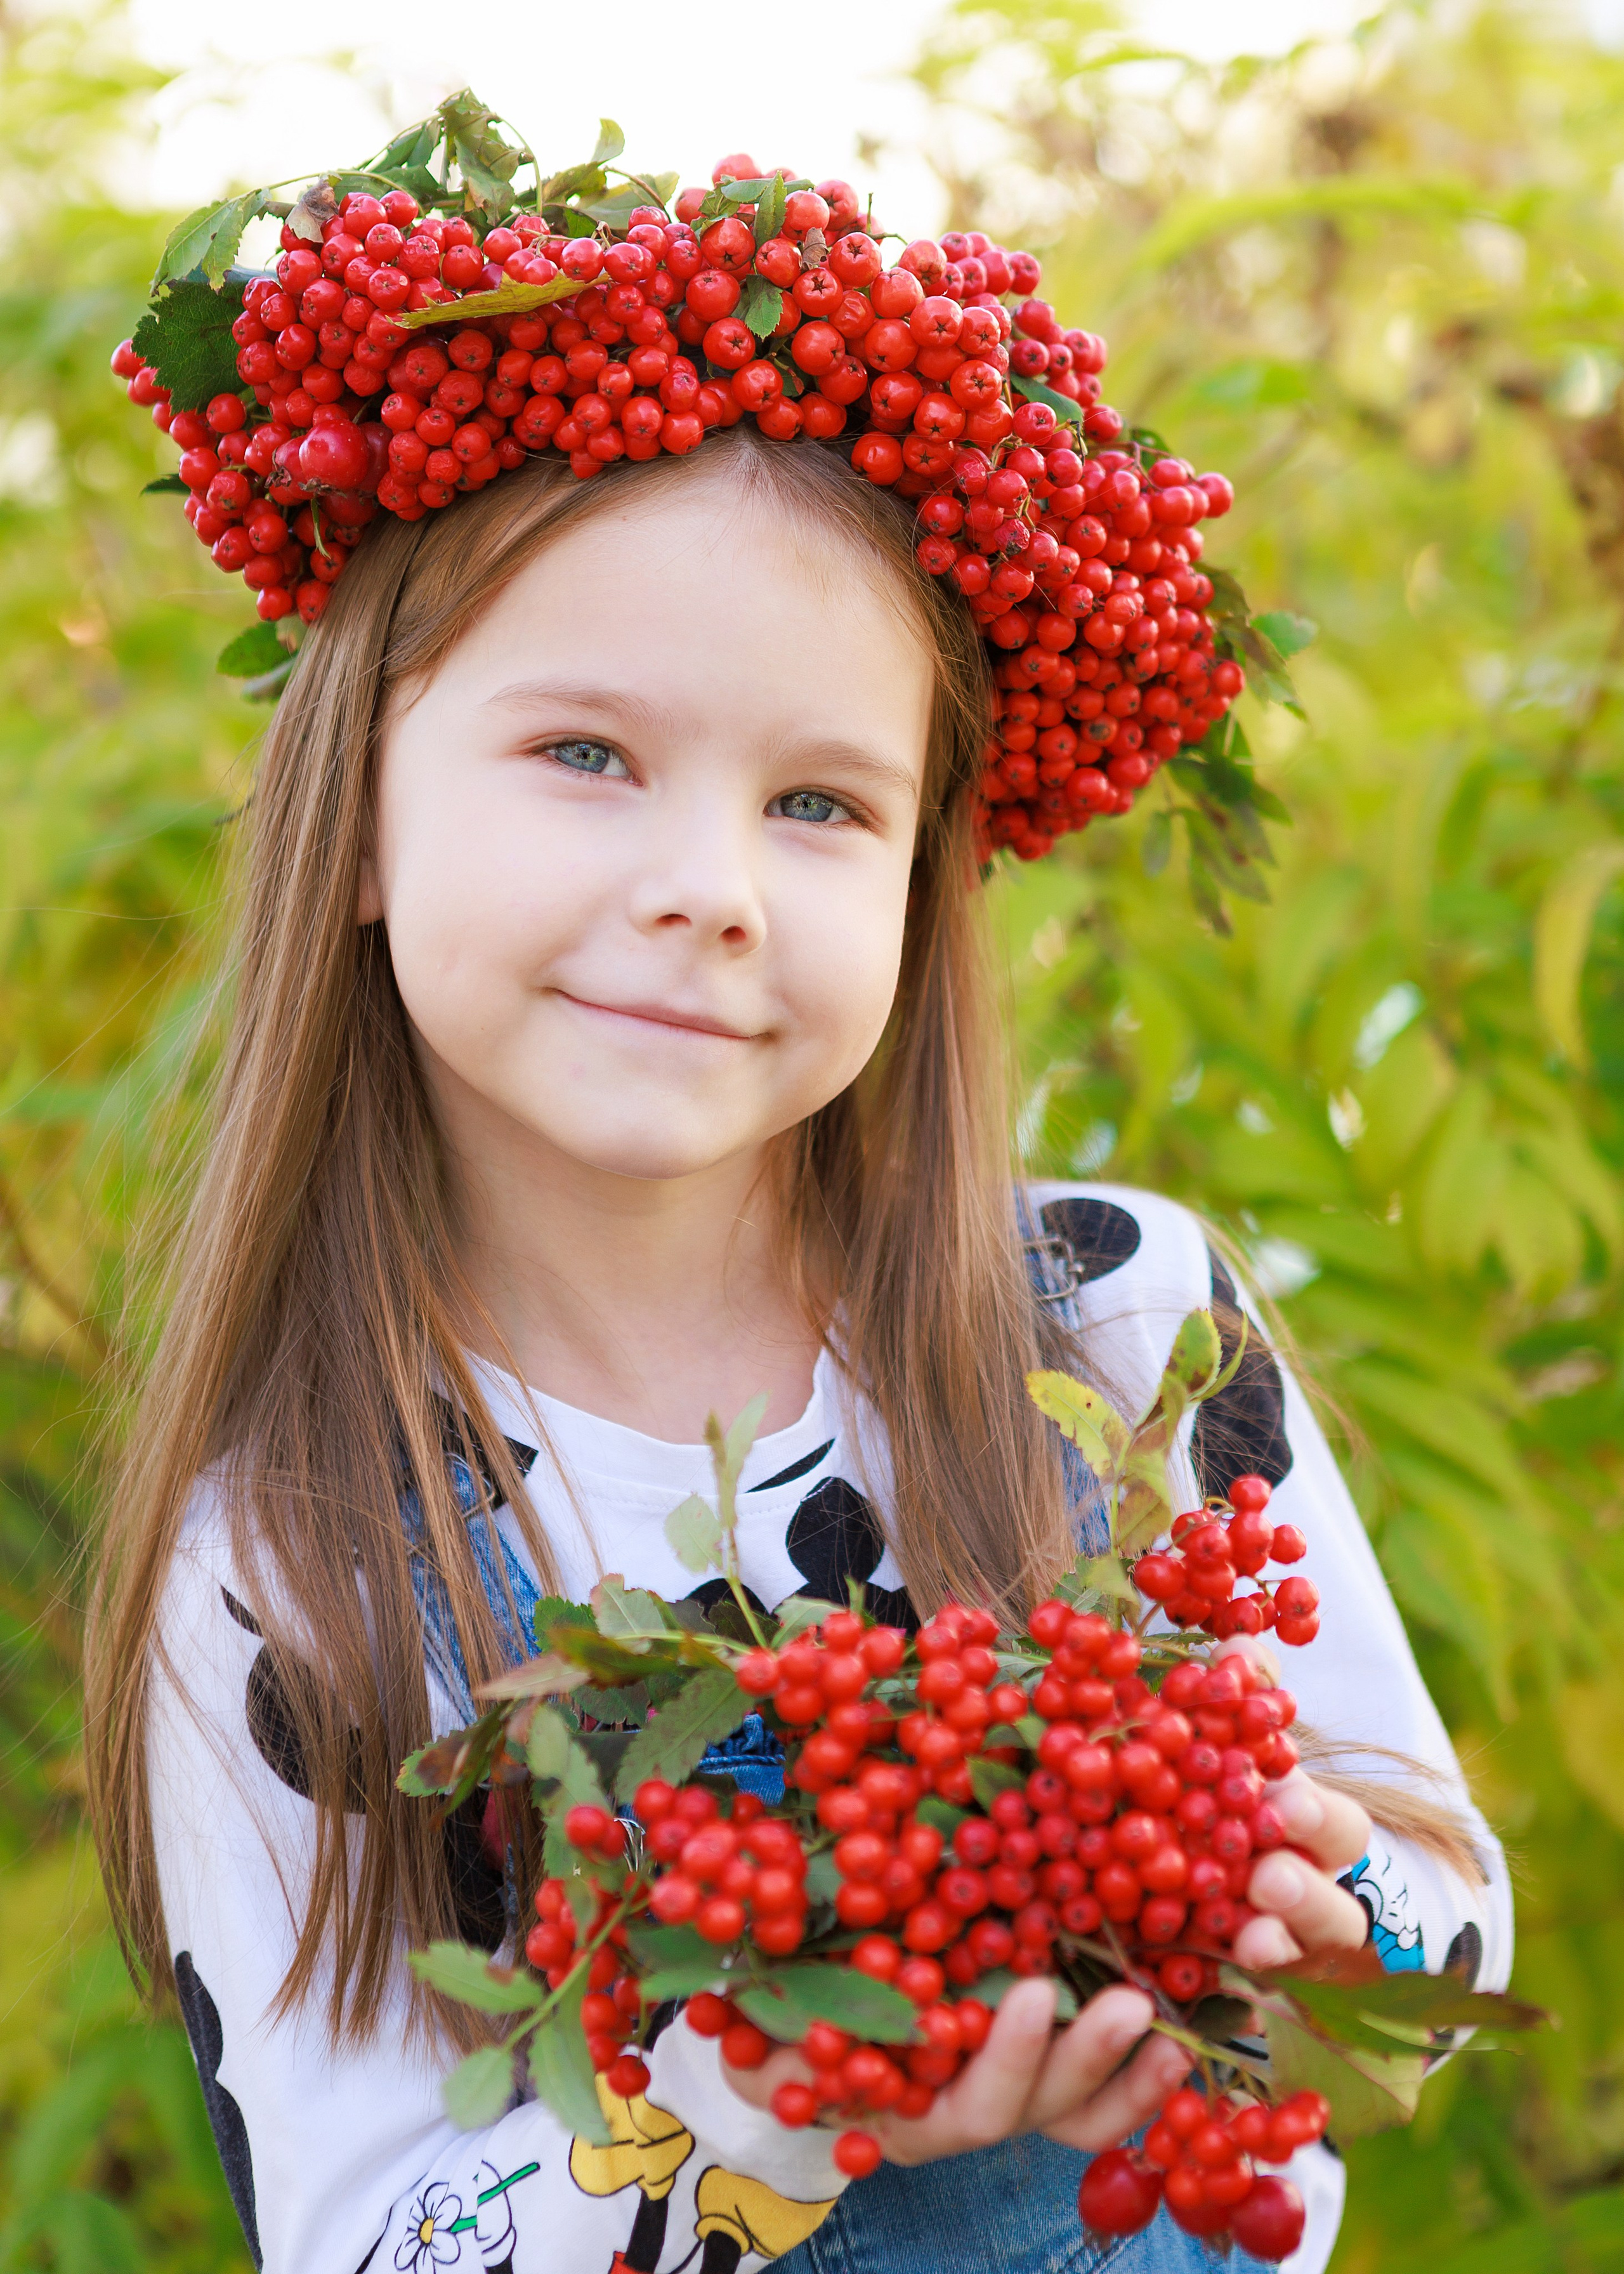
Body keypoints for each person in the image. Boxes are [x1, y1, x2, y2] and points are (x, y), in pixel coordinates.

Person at [88, 160, 1511, 2274]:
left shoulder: (1123, 1326)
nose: (712, 888)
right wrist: (778, 2090)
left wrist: (1327, 1899)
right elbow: (365, 2241)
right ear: (358, 820)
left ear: (924, 883)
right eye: (587, 753)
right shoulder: (295, 1561)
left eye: (820, 803)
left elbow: (1451, 1935)